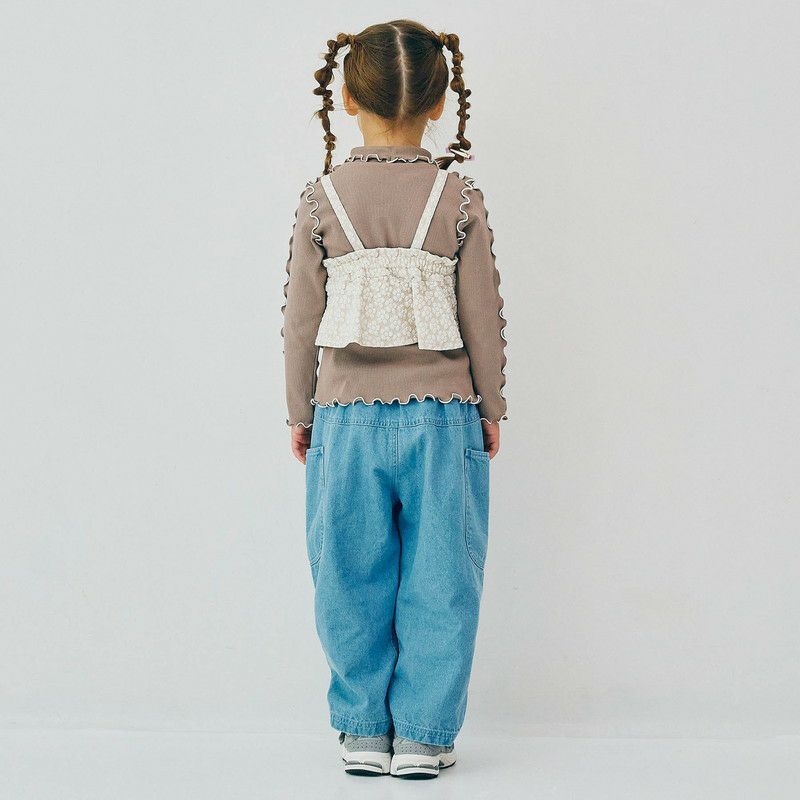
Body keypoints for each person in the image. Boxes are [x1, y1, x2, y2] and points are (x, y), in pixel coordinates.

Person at [281, 19, 508, 779]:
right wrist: (490, 407)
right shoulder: (459, 197)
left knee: (347, 571)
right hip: (444, 419)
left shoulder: (321, 200)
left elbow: (301, 321)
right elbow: (482, 314)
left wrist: (301, 413)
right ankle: (424, 735)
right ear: (440, 103)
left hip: (345, 419)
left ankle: (361, 730)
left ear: (347, 98)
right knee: (444, 576)